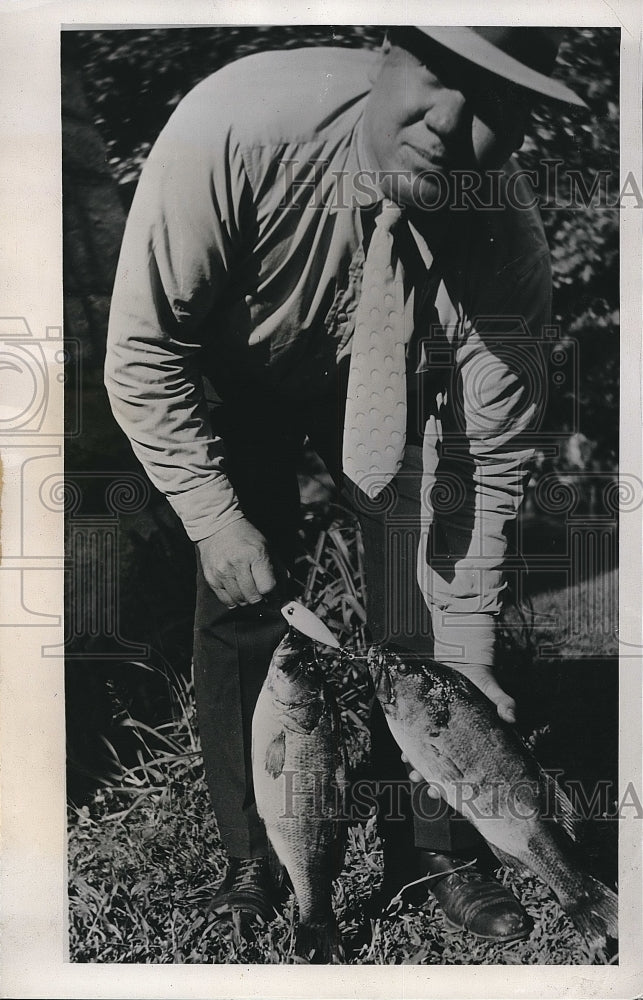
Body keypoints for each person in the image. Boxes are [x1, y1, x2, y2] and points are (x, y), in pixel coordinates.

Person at [105, 25, 586, 945]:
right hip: (231, 364)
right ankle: (261, 854)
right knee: (241, 594)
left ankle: (439, 847)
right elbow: (142, 349)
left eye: (489, 108)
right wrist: (214, 520)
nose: (446, 123)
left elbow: (484, 463)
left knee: (420, 608)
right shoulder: (232, 127)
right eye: (437, 76)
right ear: (387, 57)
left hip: (389, 381)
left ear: (523, 128)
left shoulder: (505, 246)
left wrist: (470, 651)